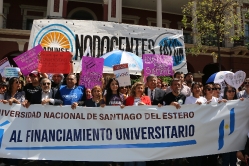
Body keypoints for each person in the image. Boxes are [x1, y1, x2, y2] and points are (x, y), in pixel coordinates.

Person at [124, 82, 149, 166]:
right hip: (130, 127)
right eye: (138, 88)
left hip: (142, 127)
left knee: (141, 149)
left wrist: (145, 106)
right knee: (130, 148)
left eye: (141, 88)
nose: (140, 89)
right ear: (134, 89)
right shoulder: (128, 99)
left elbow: (151, 111)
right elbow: (124, 112)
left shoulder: (147, 98)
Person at [185, 82, 207, 166]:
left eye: (199, 87)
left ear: (201, 89)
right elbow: (186, 111)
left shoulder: (204, 99)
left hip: (201, 127)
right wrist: (195, 106)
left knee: (200, 149)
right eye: (195, 88)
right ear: (192, 89)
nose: (197, 89)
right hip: (192, 127)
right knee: (193, 149)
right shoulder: (188, 99)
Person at [222, 86, 243, 166]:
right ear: (226, 92)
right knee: (226, 159)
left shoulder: (239, 103)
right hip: (225, 134)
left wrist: (243, 103)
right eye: (229, 91)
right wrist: (219, 103)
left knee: (233, 159)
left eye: (233, 91)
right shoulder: (221, 103)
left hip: (235, 134)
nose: (231, 93)